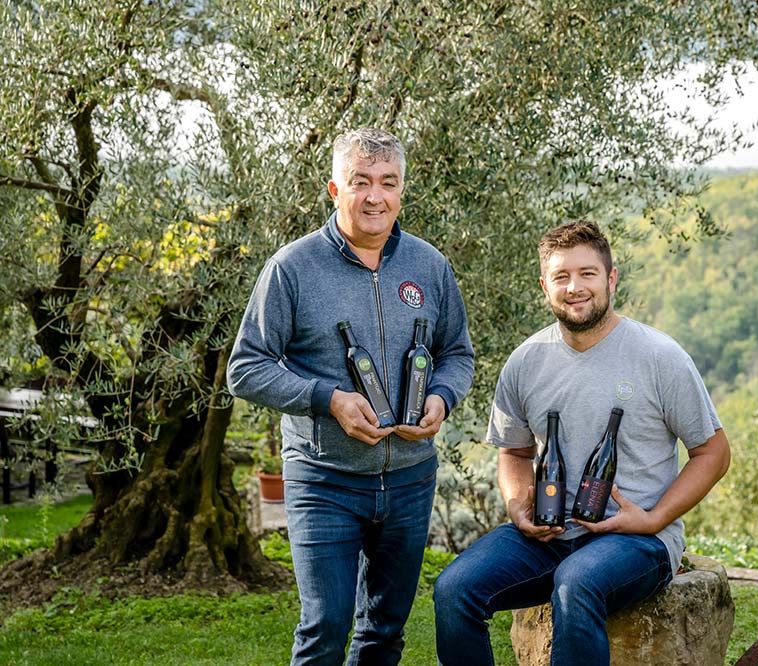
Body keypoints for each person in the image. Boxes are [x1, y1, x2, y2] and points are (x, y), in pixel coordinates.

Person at [227, 127, 474, 665]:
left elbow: (457, 354)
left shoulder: (429, 266)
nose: (374, 196)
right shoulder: (291, 268)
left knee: (385, 631)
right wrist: (327, 399)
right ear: (335, 190)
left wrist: (442, 399)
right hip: (324, 479)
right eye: (360, 182)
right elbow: (245, 368)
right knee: (326, 627)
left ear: (401, 192)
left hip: (410, 477)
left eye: (387, 183)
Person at [433, 220, 729, 665]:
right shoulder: (526, 362)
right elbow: (514, 452)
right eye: (561, 277)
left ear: (611, 278)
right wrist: (517, 507)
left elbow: (713, 453)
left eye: (588, 273)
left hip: (638, 542)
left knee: (576, 581)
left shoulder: (660, 356)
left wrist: (653, 519)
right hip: (548, 537)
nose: (575, 287)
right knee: (454, 590)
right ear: (544, 285)